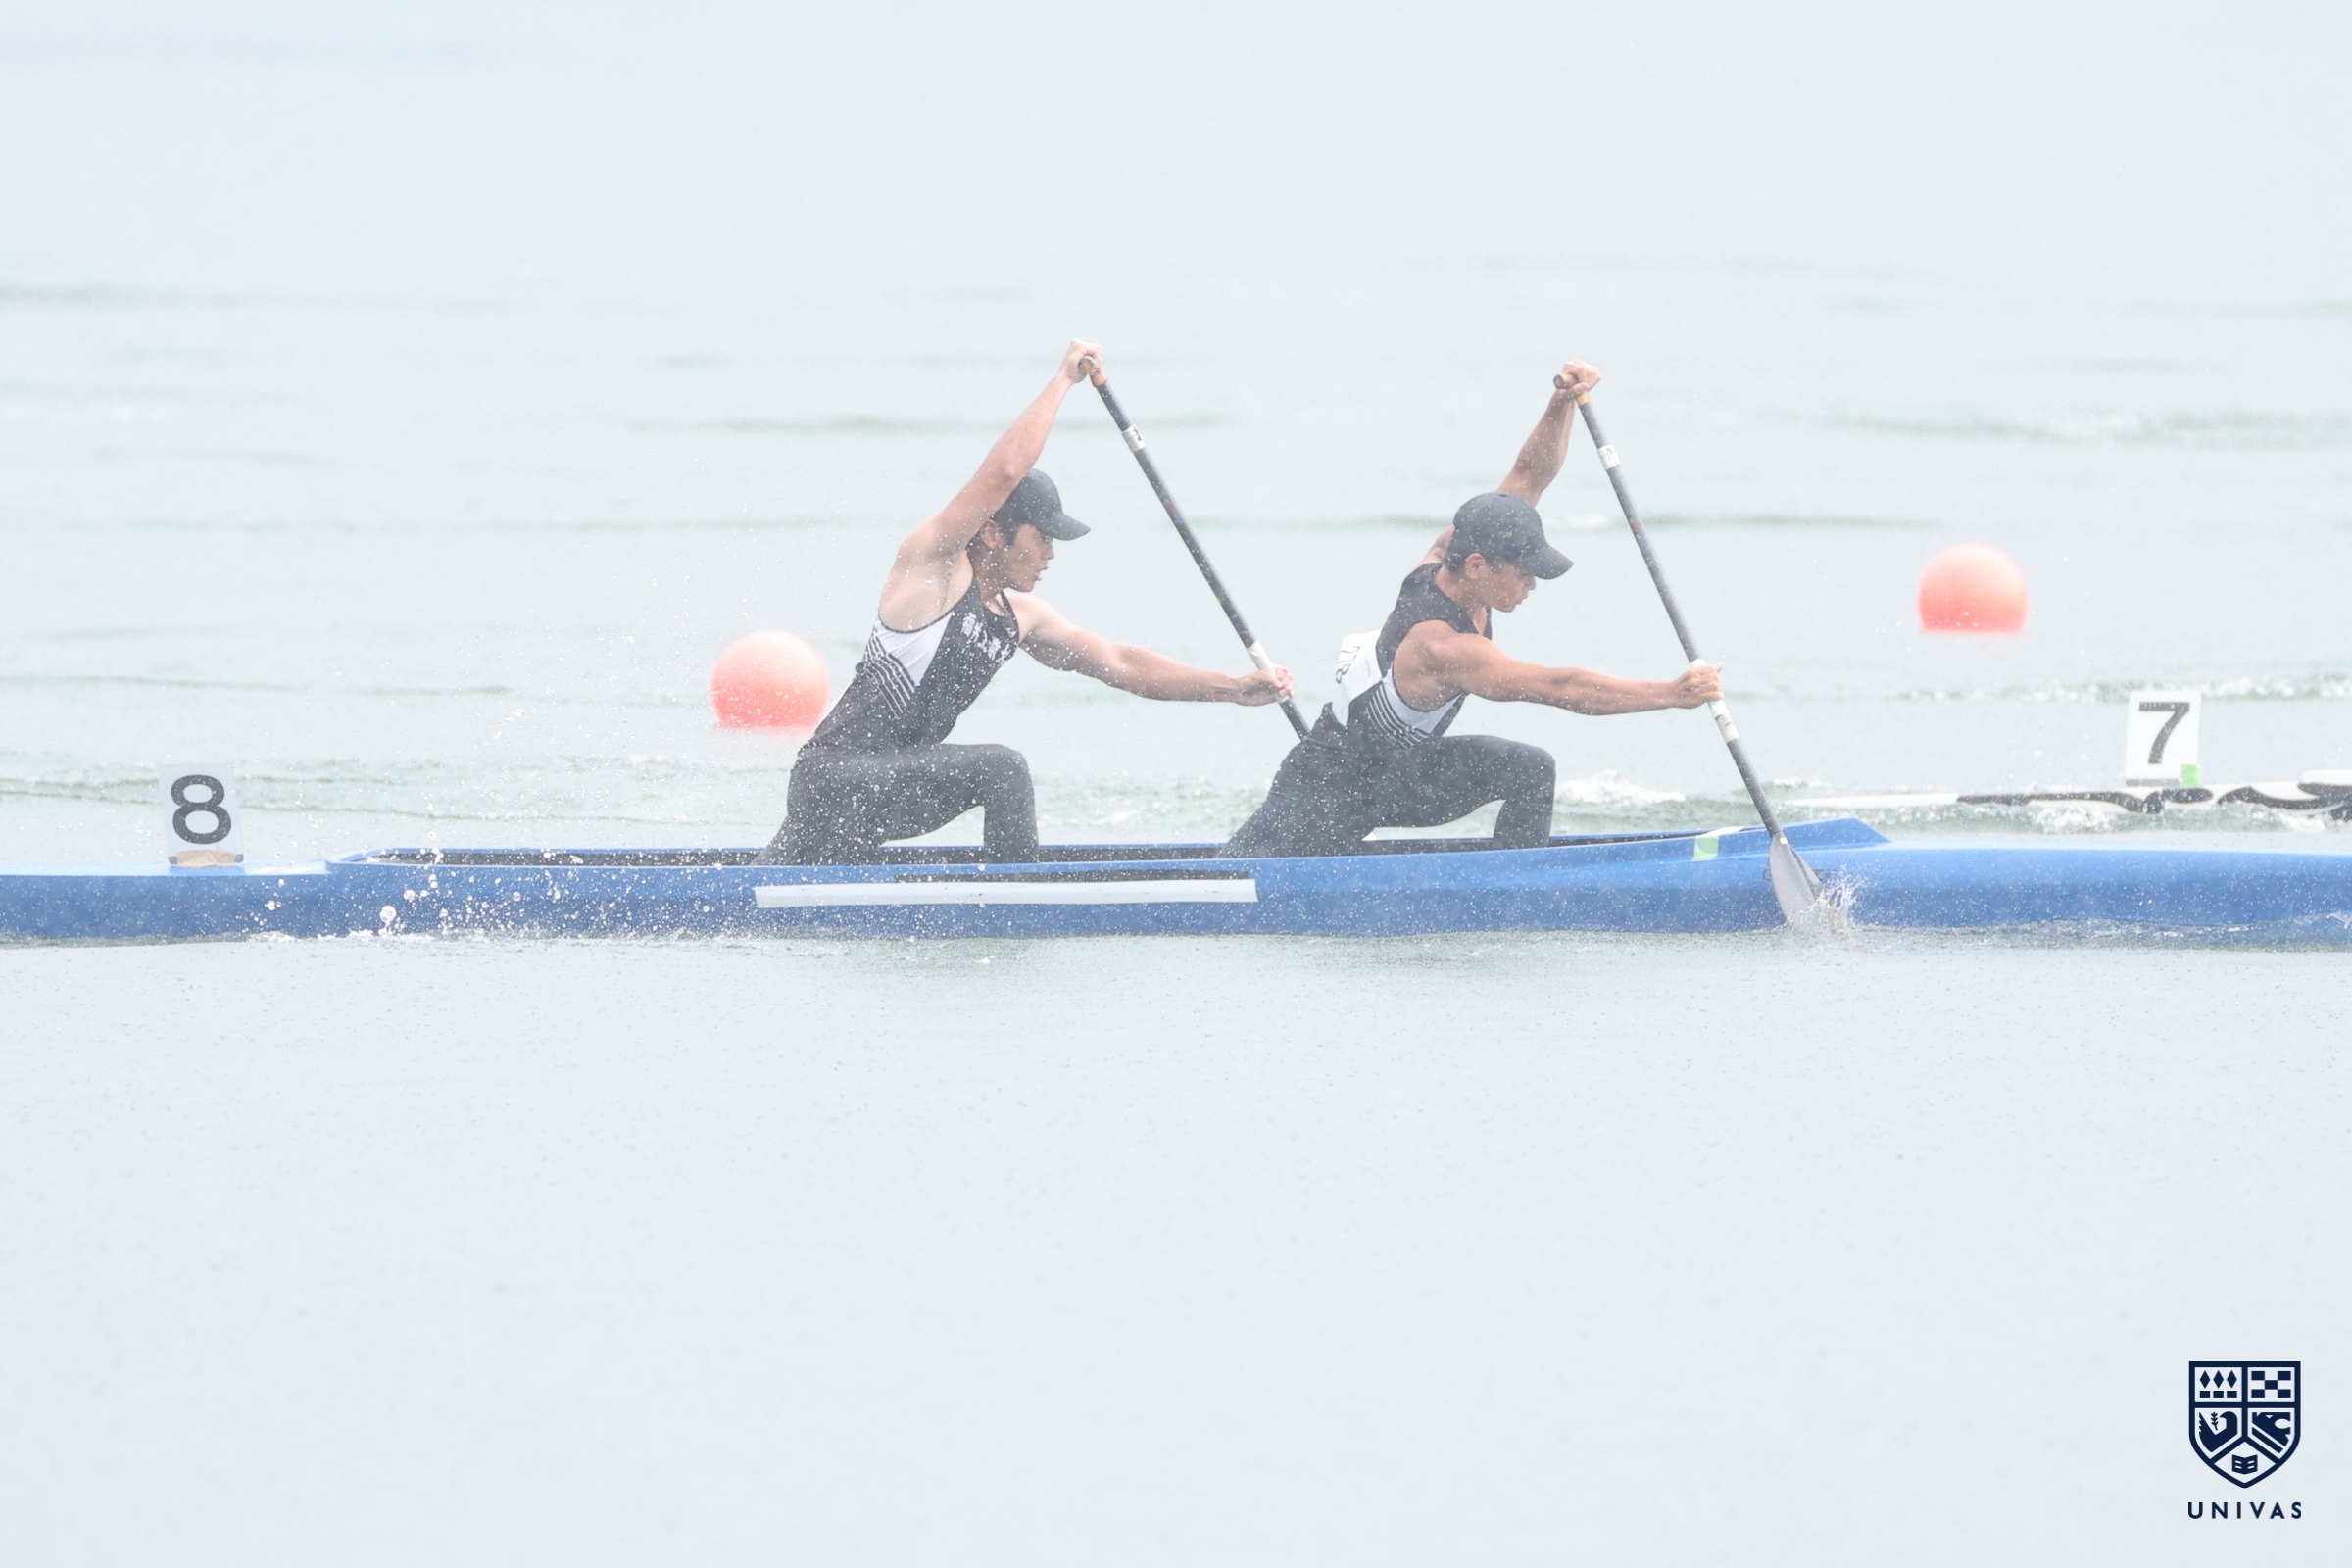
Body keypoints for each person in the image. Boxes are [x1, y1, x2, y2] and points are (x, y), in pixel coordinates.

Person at [767, 339, 1295, 864]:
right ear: (992, 533)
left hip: (884, 791)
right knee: (1003, 770)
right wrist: (1064, 380)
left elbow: (1121, 664)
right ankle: (1017, 898)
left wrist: (1230, 689)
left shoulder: (1020, 619)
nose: (1050, 553)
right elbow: (1002, 474)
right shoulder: (934, 570)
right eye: (1041, 537)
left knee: (770, 881)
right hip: (832, 780)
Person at [1223, 359, 1723, 858]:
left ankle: (1516, 882)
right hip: (1324, 797)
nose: (1532, 584)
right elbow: (1562, 688)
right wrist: (1670, 694)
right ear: (1479, 566)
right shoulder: (1442, 647)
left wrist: (1561, 404)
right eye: (1523, 572)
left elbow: (1529, 475)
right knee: (1229, 874)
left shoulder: (1453, 549)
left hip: (1397, 774)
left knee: (1530, 769)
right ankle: (1506, 887)